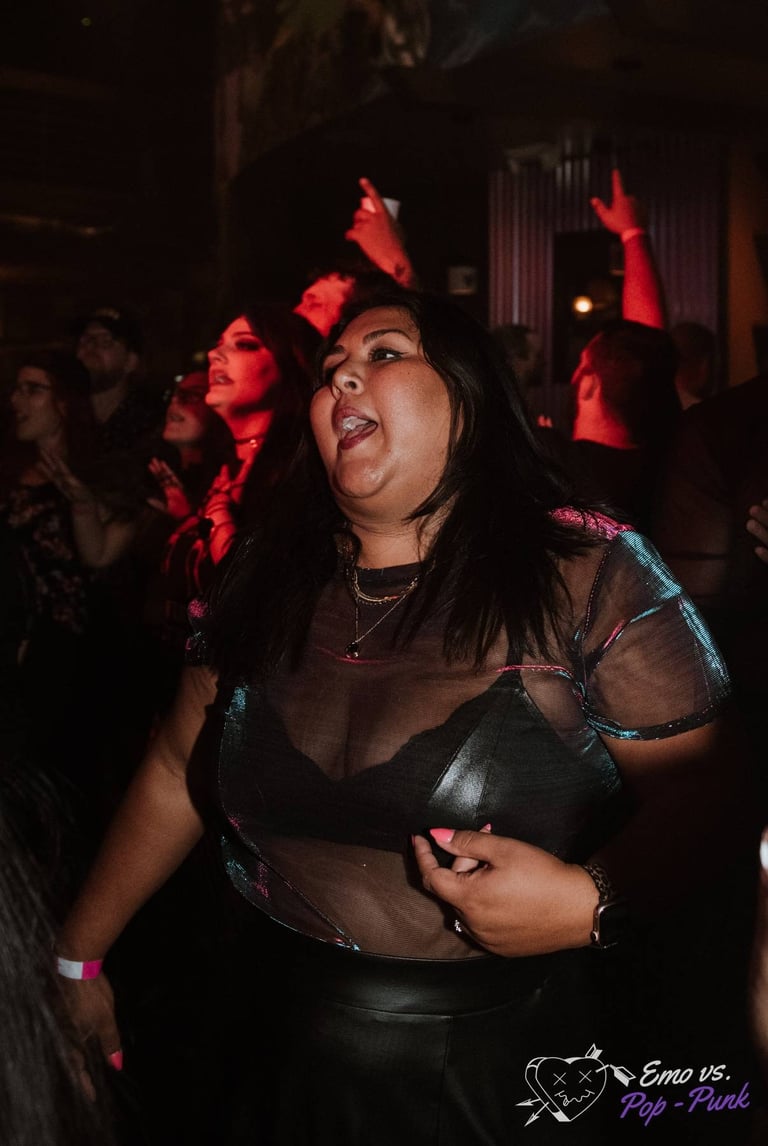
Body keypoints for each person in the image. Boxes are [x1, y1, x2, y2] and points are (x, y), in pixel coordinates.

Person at [56, 288, 753, 1144]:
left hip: (499, 1069)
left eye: (384, 353)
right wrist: (75, 958)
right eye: (330, 370)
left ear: (470, 398)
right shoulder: (266, 576)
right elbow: (175, 765)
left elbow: (716, 792)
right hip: (256, 1046)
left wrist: (590, 902)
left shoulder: (585, 572)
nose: (342, 378)